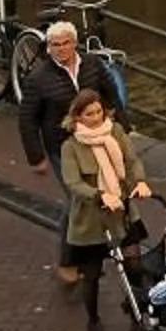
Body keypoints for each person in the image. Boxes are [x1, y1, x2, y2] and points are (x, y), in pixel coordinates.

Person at [56, 87, 154, 331]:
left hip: (123, 212)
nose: (97, 117)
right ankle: (93, 320)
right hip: (92, 219)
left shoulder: (116, 132)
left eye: (99, 111)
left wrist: (139, 181)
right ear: (78, 117)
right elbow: (73, 182)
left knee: (134, 263)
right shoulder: (71, 146)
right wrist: (100, 196)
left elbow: (131, 160)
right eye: (90, 114)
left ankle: (135, 316)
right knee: (91, 274)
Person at [19, 19, 103, 267]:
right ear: (48, 48)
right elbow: (27, 119)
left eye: (66, 43)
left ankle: (96, 247)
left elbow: (110, 96)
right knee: (78, 200)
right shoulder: (38, 78)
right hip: (62, 148)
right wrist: (36, 157)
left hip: (94, 142)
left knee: (97, 196)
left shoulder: (92, 64)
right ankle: (69, 261)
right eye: (55, 45)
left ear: (75, 44)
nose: (61, 49)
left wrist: (123, 129)